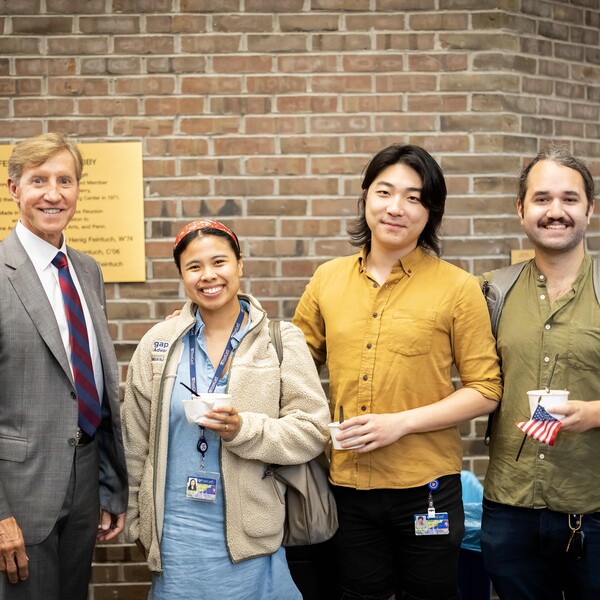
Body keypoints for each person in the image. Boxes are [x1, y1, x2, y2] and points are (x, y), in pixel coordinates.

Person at [292, 144, 503, 600]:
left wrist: (400, 424)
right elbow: (290, 364)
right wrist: (211, 317)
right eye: (384, 191)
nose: (395, 208)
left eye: (413, 197)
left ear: (431, 211)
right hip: (348, 483)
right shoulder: (327, 279)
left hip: (427, 486)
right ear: (366, 197)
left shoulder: (458, 288)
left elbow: (486, 389)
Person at [122, 219, 330, 599]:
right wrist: (139, 523)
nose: (208, 276)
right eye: (194, 266)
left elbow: (312, 432)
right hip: (176, 534)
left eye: (219, 262)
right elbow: (135, 441)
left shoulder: (280, 341)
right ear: (182, 275)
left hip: (251, 532)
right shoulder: (158, 344)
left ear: (240, 264)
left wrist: (242, 430)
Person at [0, 133, 128, 599]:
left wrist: (109, 485)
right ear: (15, 189)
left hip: (84, 482)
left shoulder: (87, 270)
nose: (53, 194)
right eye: (39, 180)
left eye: (65, 181)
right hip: (17, 494)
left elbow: (92, 381)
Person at [480, 147, 600, 599]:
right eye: (542, 199)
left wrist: (593, 413)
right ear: (521, 209)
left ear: (590, 208)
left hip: (594, 507)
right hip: (510, 511)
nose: (555, 212)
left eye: (570, 199)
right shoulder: (491, 291)